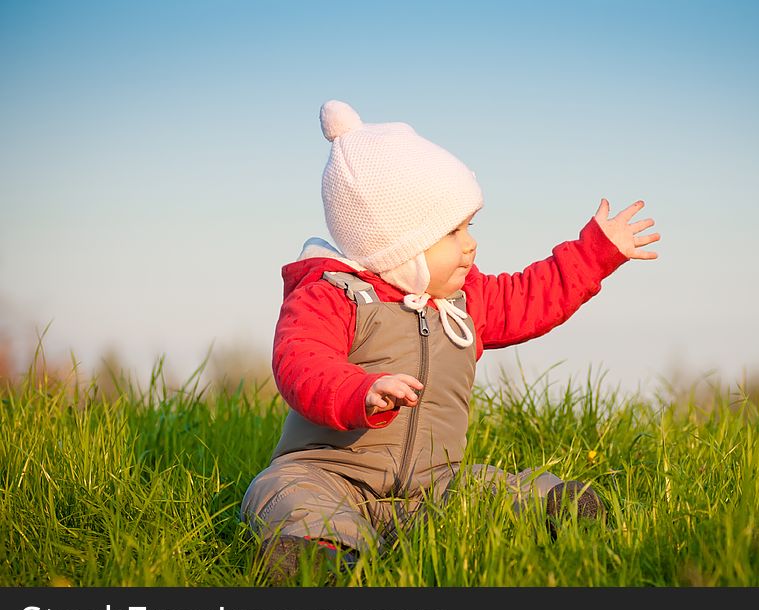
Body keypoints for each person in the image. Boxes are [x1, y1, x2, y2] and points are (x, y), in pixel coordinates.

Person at [241, 100, 660, 582]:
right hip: (333, 472)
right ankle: (320, 556)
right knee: (283, 491)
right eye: (451, 231)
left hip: (431, 485)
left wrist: (595, 255)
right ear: (397, 242)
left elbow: (529, 297)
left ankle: (557, 511)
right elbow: (301, 363)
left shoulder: (463, 301)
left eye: (469, 227)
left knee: (485, 488)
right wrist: (362, 390)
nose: (470, 244)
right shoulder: (332, 296)